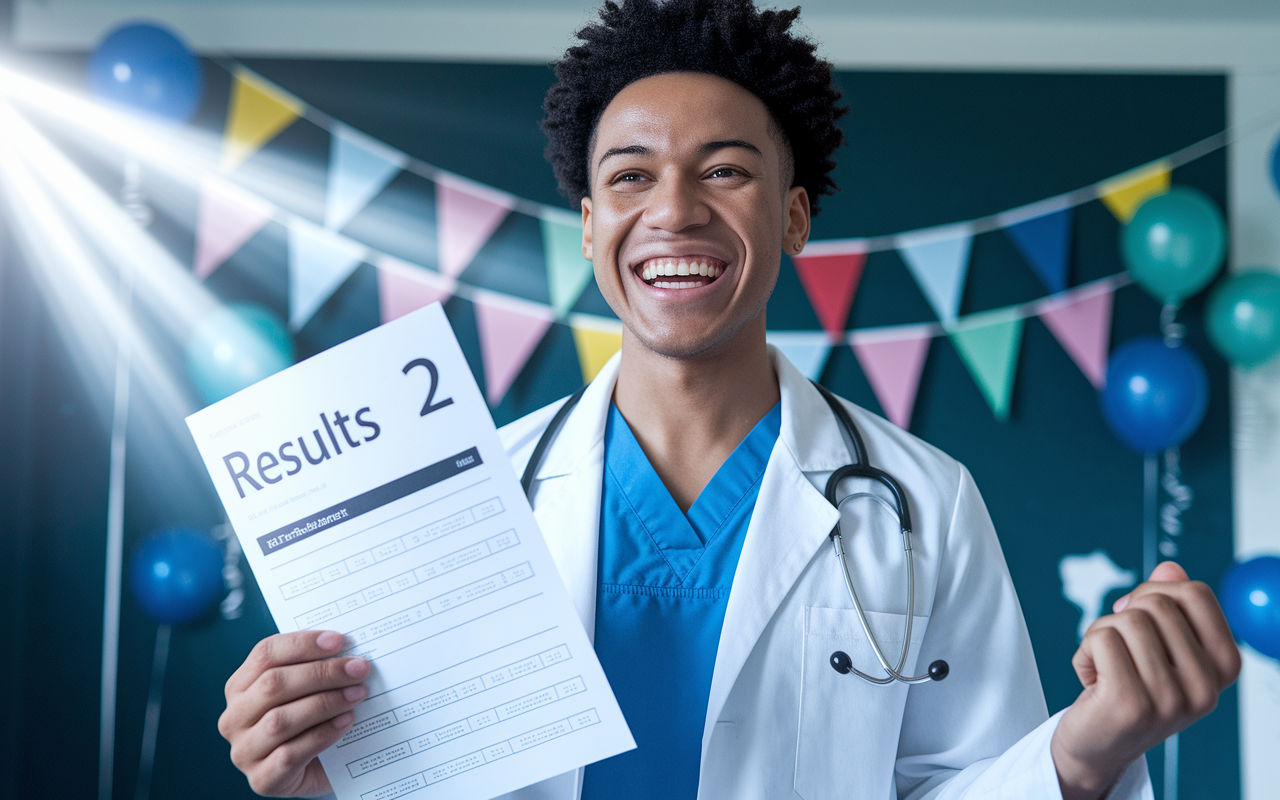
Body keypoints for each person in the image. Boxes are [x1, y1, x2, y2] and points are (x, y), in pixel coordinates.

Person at [217, 1, 1242, 798]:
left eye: (722, 170)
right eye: (629, 177)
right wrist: (321, 776)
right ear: (586, 226)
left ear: (792, 218)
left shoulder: (923, 501)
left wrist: (1083, 746)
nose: (672, 209)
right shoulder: (469, 494)